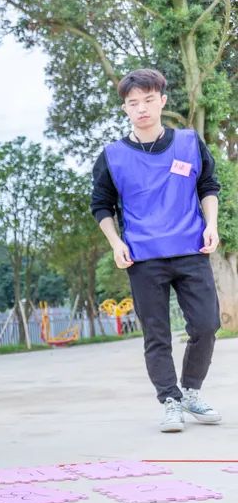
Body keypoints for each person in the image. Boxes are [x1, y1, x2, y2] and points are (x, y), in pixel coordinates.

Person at [90, 68, 223, 433]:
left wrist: (210, 225)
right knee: (156, 334)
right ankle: (169, 400)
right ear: (125, 109)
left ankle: (191, 390)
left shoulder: (189, 142)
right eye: (133, 103)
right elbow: (101, 204)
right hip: (143, 257)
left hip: (191, 248)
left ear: (162, 100)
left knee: (207, 325)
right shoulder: (113, 155)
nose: (142, 108)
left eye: (149, 100)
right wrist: (116, 244)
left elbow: (209, 184)